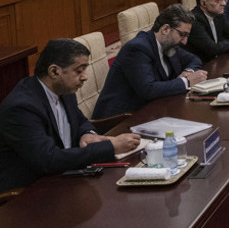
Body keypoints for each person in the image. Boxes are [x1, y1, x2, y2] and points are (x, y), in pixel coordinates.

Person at [0, 39, 141, 192]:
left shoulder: (64, 90)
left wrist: (87, 133)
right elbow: (48, 160)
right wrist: (110, 147)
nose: (85, 77)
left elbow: (79, 120)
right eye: (79, 71)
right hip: (30, 192)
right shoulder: (22, 108)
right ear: (54, 71)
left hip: (65, 177)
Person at [93, 4, 208, 120]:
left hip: (151, 111)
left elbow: (194, 59)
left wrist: (188, 71)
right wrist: (186, 82)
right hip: (120, 120)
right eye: (182, 35)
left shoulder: (168, 45)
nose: (185, 42)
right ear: (165, 29)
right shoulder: (137, 49)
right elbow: (148, 90)